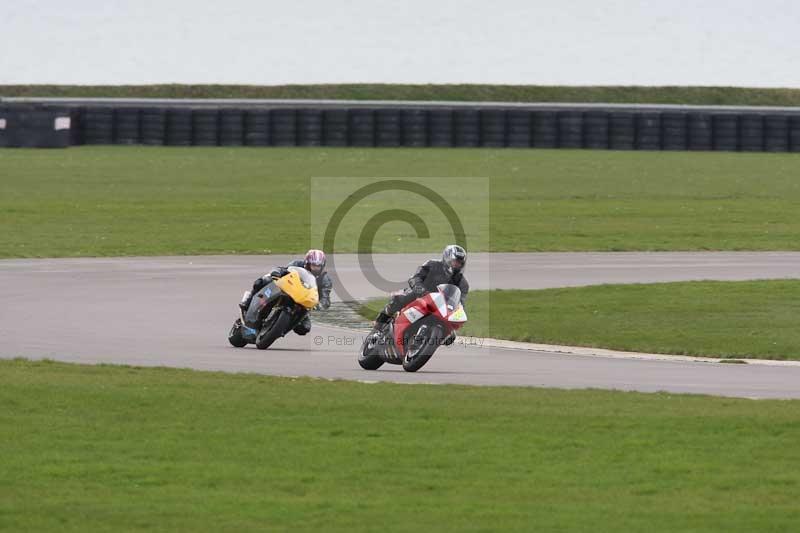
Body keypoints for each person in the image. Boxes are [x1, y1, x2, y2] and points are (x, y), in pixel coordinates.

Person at [373, 244, 468, 344]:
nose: (456, 265)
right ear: (447, 258)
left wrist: (455, 317)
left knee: (451, 336)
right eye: (454, 262)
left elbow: (460, 303)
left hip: (440, 307)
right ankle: (378, 327)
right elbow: (415, 277)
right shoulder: (432, 265)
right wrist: (421, 290)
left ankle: (424, 342)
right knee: (399, 299)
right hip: (420, 294)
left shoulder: (462, 283)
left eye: (459, 263)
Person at [239, 249, 332, 335]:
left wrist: (320, 305)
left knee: (304, 328)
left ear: (322, 266)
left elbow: (325, 298)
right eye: (313, 265)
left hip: (304, 302)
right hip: (288, 289)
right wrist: (277, 272)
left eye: (318, 266)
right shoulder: (297, 264)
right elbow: (284, 270)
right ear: (307, 263)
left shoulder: (325, 280)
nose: (315, 268)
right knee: (262, 282)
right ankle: (248, 302)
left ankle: (279, 330)